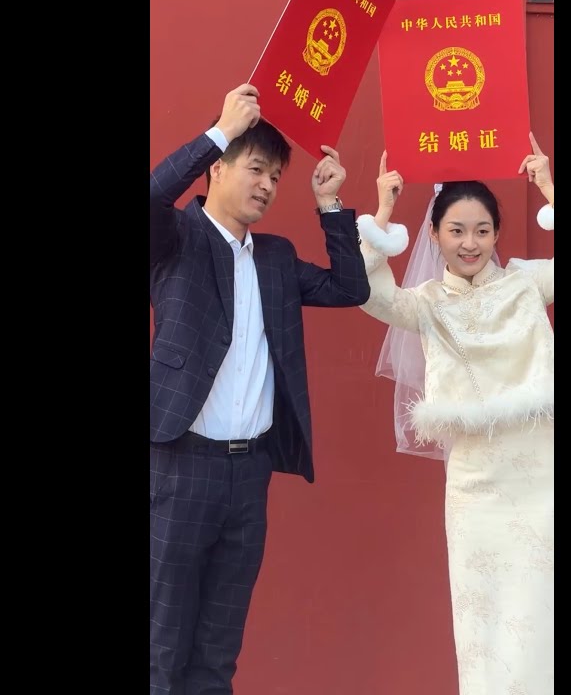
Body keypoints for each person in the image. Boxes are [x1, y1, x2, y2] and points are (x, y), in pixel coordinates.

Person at [149, 83, 370, 695]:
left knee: (218, 654)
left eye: (275, 176)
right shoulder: (176, 238)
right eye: (255, 168)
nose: (267, 185)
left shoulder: (274, 257)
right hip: (179, 467)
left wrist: (330, 205)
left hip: (248, 476)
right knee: (161, 649)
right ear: (217, 169)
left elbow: (350, 289)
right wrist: (219, 130)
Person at [355, 134, 556, 695]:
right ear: (435, 235)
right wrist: (383, 212)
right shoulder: (426, 303)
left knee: (541, 608)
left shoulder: (526, 282)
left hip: (539, 477)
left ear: (497, 234)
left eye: (483, 231)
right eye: (457, 231)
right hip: (473, 485)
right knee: (481, 613)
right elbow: (368, 294)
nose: (471, 244)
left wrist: (547, 187)